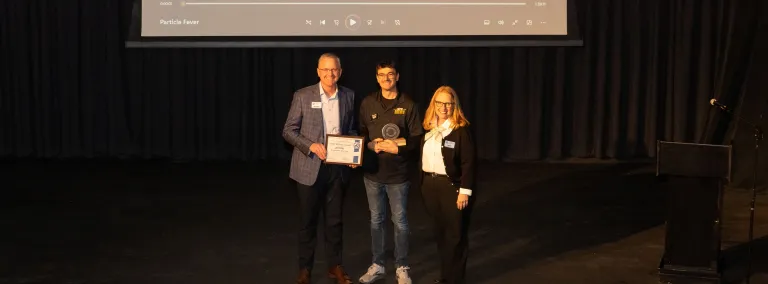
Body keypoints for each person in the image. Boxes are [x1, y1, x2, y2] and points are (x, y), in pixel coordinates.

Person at [282, 53, 358, 284]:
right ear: (318, 72)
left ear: (340, 72)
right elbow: (288, 131)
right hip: (309, 168)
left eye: (334, 70)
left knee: (335, 221)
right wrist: (311, 146)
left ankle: (335, 266)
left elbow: (351, 129)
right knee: (308, 222)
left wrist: (354, 151)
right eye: (325, 70)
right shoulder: (303, 95)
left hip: (337, 168)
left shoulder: (348, 95)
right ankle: (305, 269)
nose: (329, 74)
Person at [357, 60, 424, 284]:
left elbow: (417, 138)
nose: (386, 78)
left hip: (398, 175)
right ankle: (377, 264)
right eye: (382, 75)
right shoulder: (368, 103)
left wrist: (399, 147)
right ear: (377, 78)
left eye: (390, 74)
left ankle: (402, 266)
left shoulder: (409, 104)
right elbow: (361, 133)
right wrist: (369, 145)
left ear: (397, 77)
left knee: (400, 221)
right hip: (373, 174)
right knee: (376, 220)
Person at [418, 86, 476, 284]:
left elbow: (468, 164)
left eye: (448, 104)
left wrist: (464, 192)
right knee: (441, 235)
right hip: (430, 186)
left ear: (454, 106)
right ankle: (445, 277)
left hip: (452, 188)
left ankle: (455, 280)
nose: (443, 107)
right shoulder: (428, 128)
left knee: (455, 236)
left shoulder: (460, 131)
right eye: (439, 103)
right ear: (433, 104)